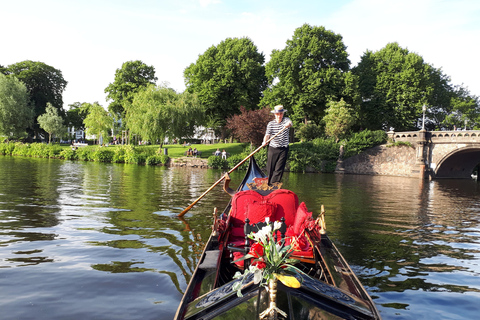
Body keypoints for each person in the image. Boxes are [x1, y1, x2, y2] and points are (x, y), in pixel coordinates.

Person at [262, 105, 293, 185]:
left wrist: (288, 125)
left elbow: (290, 123)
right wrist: (264, 142)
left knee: (279, 168)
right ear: (275, 114)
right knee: (270, 168)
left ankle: (274, 185)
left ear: (283, 114)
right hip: (273, 148)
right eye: (277, 114)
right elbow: (267, 135)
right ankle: (268, 183)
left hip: (284, 148)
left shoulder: (286, 120)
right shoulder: (271, 124)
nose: (279, 116)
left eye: (281, 114)